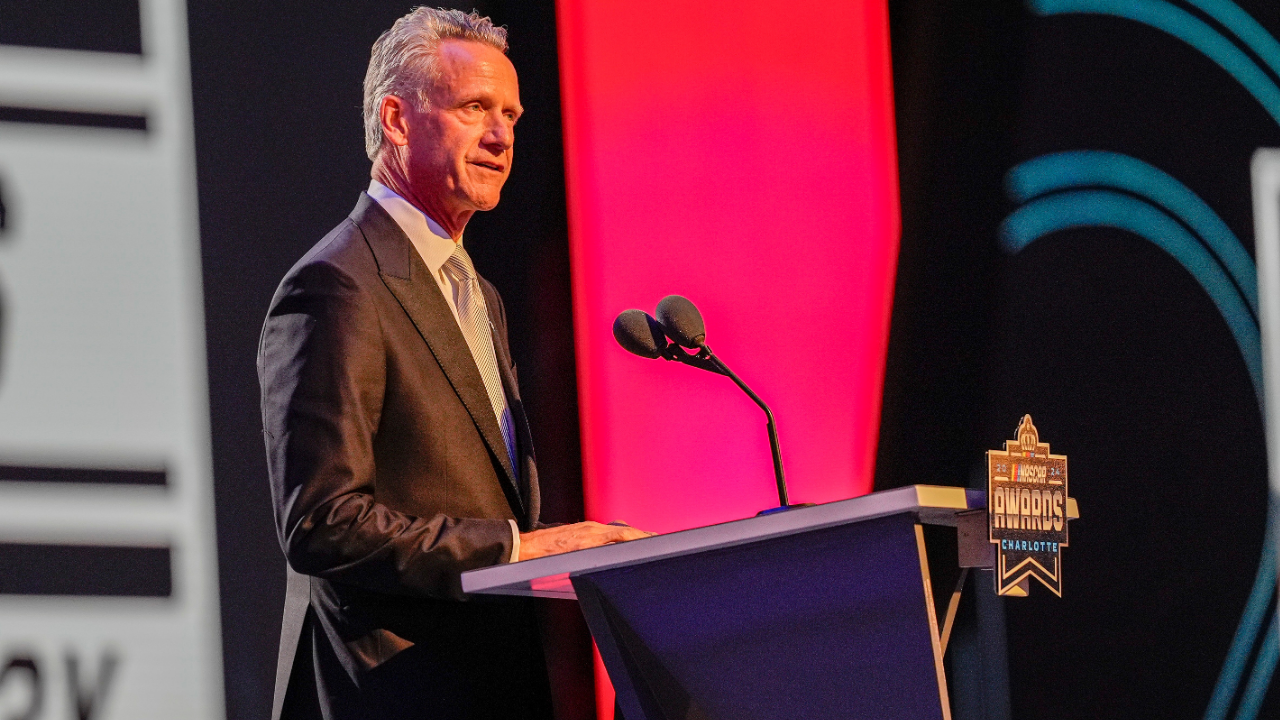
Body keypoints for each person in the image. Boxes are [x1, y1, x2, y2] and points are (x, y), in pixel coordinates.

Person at [258, 8, 648, 720]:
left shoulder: (478, 293)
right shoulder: (337, 285)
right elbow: (322, 522)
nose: (501, 137)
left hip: (494, 683)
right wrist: (518, 548)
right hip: (396, 692)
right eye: (475, 109)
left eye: (511, 115)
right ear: (398, 120)